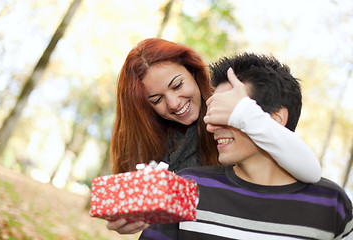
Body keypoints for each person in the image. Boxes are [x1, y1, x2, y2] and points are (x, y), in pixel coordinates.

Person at [107, 38, 321, 234]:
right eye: (156, 100)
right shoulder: (163, 147)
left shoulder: (233, 112)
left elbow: (310, 171)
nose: (173, 103)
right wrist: (132, 218)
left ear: (194, 73)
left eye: (177, 85)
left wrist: (244, 112)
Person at [139, 53, 353, 239]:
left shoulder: (331, 205)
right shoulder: (187, 187)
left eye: (228, 112)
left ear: (275, 119)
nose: (210, 125)